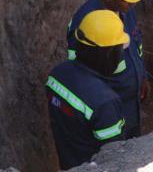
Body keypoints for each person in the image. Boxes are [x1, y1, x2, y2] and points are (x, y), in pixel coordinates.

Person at [66, 0, 150, 138]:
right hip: (111, 104)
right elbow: (82, 73)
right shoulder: (85, 23)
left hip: (131, 99)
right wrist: (105, 105)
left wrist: (142, 76)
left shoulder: (125, 7)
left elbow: (136, 42)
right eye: (127, 1)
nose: (133, 4)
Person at [46, 10, 129, 169]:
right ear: (108, 53)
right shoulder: (105, 103)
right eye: (120, 50)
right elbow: (116, 157)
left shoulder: (55, 75)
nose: (121, 56)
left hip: (68, 163)